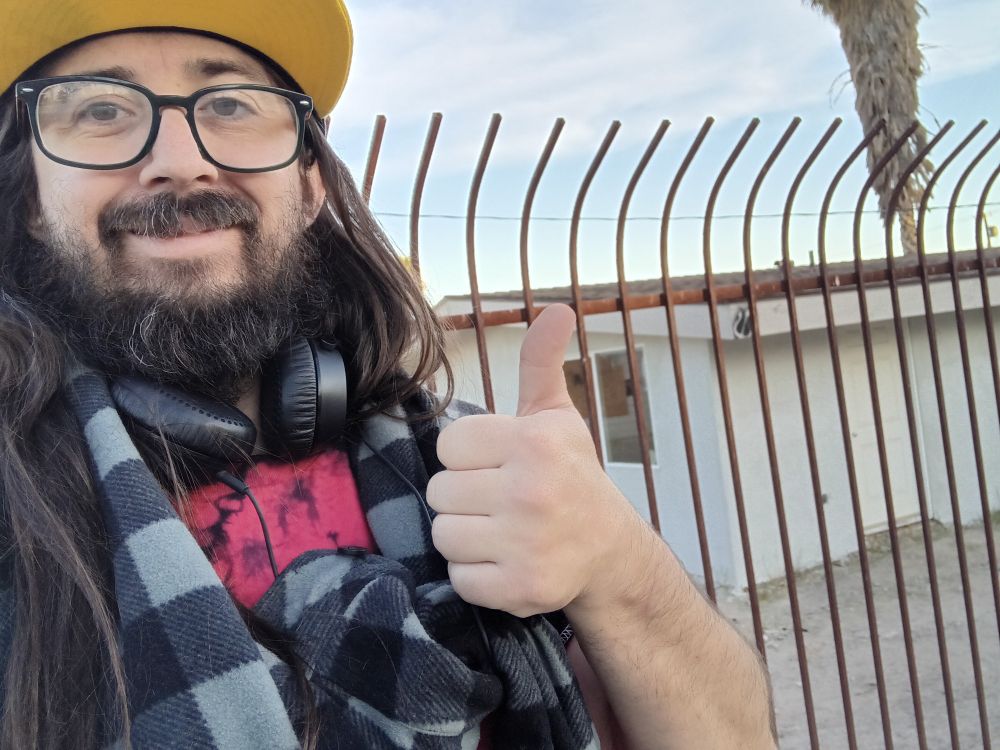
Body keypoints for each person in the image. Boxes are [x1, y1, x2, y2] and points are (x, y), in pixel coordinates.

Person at [0, 2, 776, 748]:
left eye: (231, 105)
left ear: (309, 187)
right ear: (32, 197)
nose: (179, 162)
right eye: (101, 111)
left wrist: (617, 560)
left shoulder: (463, 465)